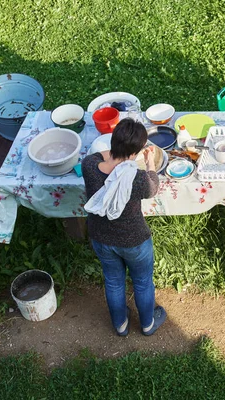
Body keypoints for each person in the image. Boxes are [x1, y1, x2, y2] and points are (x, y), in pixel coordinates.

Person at [81, 118, 166, 337]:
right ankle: (147, 324)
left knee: (114, 281)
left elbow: (99, 156)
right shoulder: (136, 179)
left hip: (102, 237)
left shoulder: (89, 166)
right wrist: (149, 164)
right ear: (136, 152)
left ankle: (120, 324)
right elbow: (153, 187)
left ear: (113, 140)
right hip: (134, 240)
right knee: (142, 281)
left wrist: (120, 153)